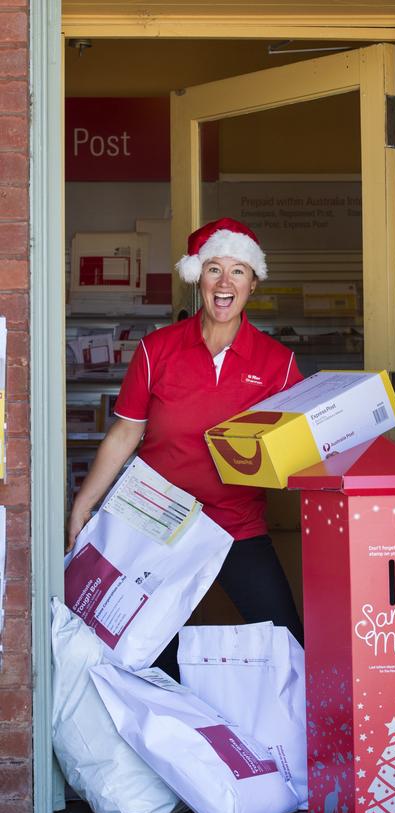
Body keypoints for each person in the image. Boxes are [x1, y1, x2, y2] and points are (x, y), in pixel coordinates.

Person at [66, 217, 305, 674]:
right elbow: (125, 433)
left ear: (253, 283)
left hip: (236, 525)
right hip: (156, 526)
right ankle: (177, 736)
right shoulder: (158, 349)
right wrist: (83, 503)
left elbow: (298, 448)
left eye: (238, 271)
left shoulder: (279, 363)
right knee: (145, 653)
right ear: (199, 278)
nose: (224, 282)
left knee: (287, 646)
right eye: (214, 268)